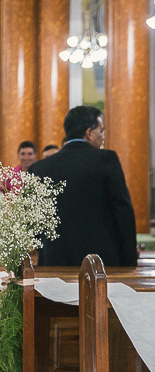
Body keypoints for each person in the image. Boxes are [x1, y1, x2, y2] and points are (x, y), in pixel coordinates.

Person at [28, 105, 138, 268]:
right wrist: (129, 260)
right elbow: (122, 210)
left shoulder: (39, 168)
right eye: (101, 132)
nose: (102, 137)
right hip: (100, 263)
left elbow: (30, 218)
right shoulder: (106, 160)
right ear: (89, 133)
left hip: (54, 260)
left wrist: (46, 247)